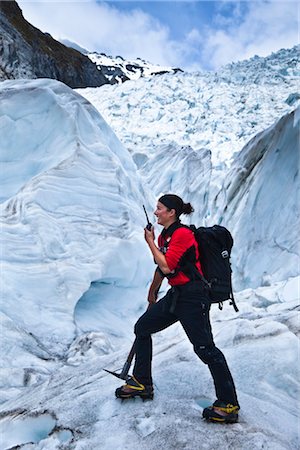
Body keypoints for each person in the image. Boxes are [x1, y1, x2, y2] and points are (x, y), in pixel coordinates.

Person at [115, 194, 240, 423]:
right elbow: (162, 268)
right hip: (177, 295)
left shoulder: (182, 234)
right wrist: (153, 291)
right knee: (142, 327)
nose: (156, 212)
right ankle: (143, 382)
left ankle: (229, 404)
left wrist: (149, 241)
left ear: (172, 212)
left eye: (160, 208)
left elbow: (167, 264)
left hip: (194, 298)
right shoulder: (166, 236)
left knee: (205, 349)